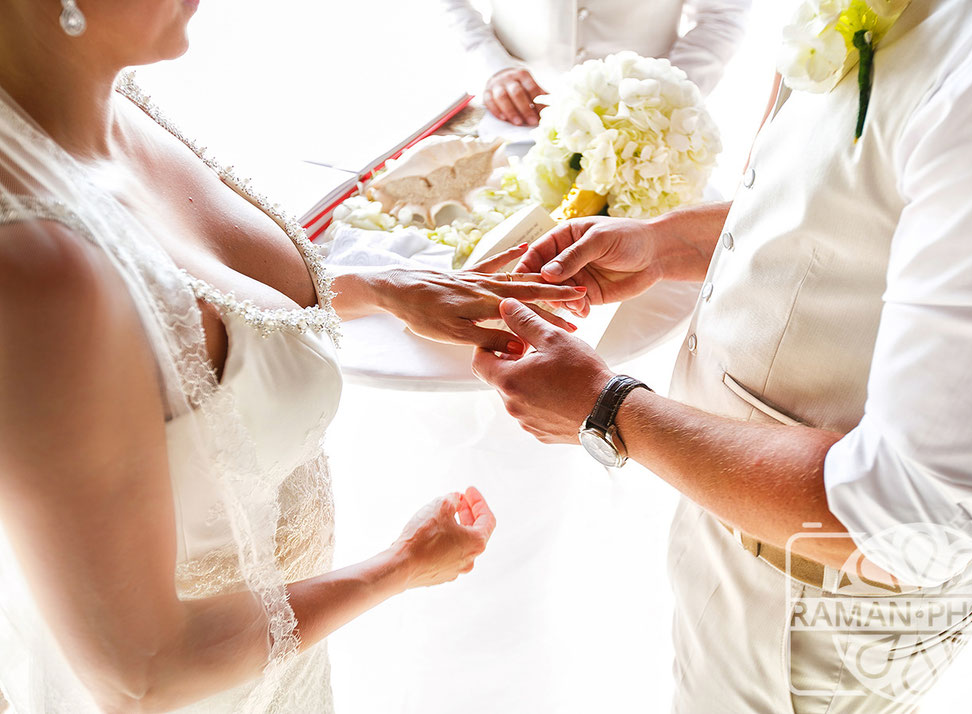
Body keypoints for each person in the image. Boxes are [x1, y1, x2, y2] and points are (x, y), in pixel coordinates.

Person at [474, 0, 972, 711]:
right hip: (739, 522)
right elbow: (854, 208)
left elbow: (913, 522)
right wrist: (667, 243)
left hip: (818, 598)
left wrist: (606, 409)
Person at [0, 0, 588, 711]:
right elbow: (143, 671)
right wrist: (401, 566)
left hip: (278, 661)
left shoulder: (112, 91)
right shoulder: (35, 273)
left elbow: (178, 325)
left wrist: (374, 286)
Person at [441, 0, 751, 125]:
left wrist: (667, 96)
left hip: (644, 122)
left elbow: (721, 16)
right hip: (516, 112)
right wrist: (493, 66)